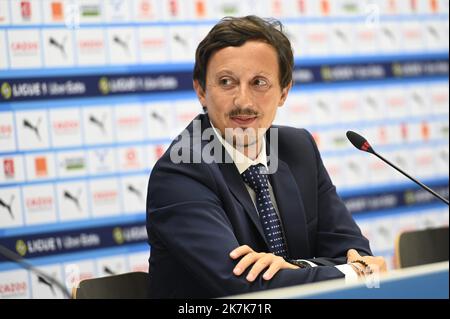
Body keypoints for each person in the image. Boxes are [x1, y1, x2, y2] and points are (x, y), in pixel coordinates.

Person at [146, 15, 386, 299]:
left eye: (259, 82)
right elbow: (245, 287)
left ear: (284, 91)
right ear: (201, 90)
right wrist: (352, 272)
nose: (243, 101)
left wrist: (295, 267)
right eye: (226, 82)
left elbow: (353, 249)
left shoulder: (298, 148)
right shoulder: (180, 171)